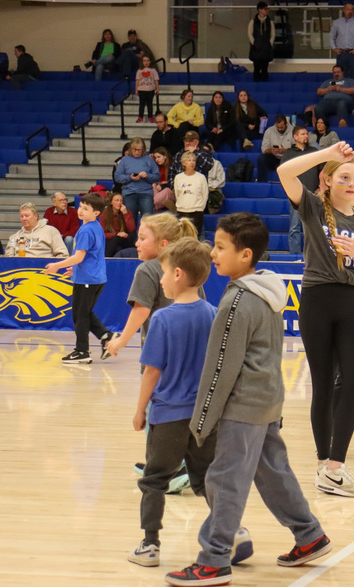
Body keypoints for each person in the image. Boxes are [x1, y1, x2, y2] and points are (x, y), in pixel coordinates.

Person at [165, 213, 331, 585]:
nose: (212, 253)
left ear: (246, 255)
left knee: (225, 480)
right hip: (268, 399)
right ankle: (310, 535)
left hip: (244, 405)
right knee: (273, 473)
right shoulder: (268, 290)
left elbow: (221, 367)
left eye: (221, 247)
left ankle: (213, 560)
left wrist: (202, 420)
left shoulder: (237, 301)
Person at [278, 142, 354, 497]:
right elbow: (284, 172)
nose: (352, 183)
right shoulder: (312, 207)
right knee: (322, 384)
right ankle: (326, 466)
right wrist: (327, 155)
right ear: (328, 180)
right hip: (317, 299)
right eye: (344, 177)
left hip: (350, 302)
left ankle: (336, 466)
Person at [128, 237, 218, 568]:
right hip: (205, 417)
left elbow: (152, 371)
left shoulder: (162, 319)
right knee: (205, 478)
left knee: (154, 479)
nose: (161, 279)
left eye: (163, 273)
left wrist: (140, 410)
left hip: (167, 416)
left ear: (178, 274)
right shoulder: (214, 314)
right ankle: (233, 531)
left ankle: (150, 545)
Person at [103, 213, 202, 362]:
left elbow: (141, 309)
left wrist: (122, 339)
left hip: (159, 352)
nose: (136, 243)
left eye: (142, 238)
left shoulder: (147, 269)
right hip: (189, 351)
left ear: (163, 244)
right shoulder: (188, 268)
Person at [44, 193, 113, 364]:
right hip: (95, 277)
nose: (80, 211)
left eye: (86, 209)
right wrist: (74, 271)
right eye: (80, 207)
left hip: (88, 280)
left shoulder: (86, 230)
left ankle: (82, 351)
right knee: (84, 313)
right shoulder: (96, 227)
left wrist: (56, 266)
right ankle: (106, 336)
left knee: (80, 316)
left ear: (96, 213)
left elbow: (79, 257)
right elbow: (90, 256)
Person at [280, 125, 320, 254]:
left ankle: (314, 255)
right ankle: (294, 256)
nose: (306, 136)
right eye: (302, 134)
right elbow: (283, 173)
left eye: (306, 134)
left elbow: (322, 171)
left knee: (314, 227)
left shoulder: (314, 151)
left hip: (313, 194)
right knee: (294, 227)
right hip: (295, 195)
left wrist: (320, 187)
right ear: (295, 137)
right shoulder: (288, 154)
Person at [114, 137, 160, 225]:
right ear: (131, 149)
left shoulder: (149, 160)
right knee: (130, 222)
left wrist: (147, 176)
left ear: (143, 149)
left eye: (139, 150)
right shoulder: (124, 160)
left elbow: (157, 176)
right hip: (129, 194)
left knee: (148, 222)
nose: (137, 152)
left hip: (146, 194)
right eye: (135, 150)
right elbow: (117, 177)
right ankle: (131, 239)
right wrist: (130, 178)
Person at [4, 203, 69, 258]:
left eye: (26, 216)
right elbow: (8, 259)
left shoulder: (51, 231)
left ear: (35, 216)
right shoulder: (14, 237)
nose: (24, 219)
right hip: (20, 270)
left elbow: (63, 255)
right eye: (22, 216)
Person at [329, 2, 354, 80]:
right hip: (341, 53)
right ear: (344, 10)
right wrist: (334, 48)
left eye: (351, 10)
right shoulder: (337, 23)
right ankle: (340, 92)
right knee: (340, 76)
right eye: (348, 9)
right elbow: (331, 37)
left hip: (353, 54)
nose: (350, 11)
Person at [174, 152, 209, 237]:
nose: (192, 162)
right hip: (182, 211)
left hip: (196, 211)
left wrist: (200, 207)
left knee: (195, 237)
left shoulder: (201, 177)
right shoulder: (178, 178)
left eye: (193, 160)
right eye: (189, 160)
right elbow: (177, 194)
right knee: (182, 237)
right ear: (183, 163)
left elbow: (205, 194)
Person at [258, 115, 294, 183]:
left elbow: (297, 149)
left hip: (287, 158)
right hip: (274, 158)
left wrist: (286, 150)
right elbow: (264, 149)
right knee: (261, 158)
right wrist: (271, 151)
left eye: (281, 127)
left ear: (286, 124)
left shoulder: (293, 131)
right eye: (278, 127)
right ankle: (261, 182)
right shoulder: (269, 131)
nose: (280, 129)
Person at [100, 193, 137, 257]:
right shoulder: (105, 214)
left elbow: (132, 229)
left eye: (121, 200)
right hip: (110, 240)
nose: (119, 202)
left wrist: (125, 214)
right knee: (117, 248)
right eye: (117, 200)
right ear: (111, 202)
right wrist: (116, 234)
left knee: (117, 239)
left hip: (125, 239)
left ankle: (105, 259)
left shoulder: (127, 212)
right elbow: (102, 234)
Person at [247, 1, 275, 82]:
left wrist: (270, 43)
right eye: (264, 9)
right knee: (256, 68)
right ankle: (256, 84)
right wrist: (254, 43)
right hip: (256, 49)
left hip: (266, 49)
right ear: (260, 10)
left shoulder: (270, 22)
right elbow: (249, 33)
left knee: (265, 69)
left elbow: (272, 34)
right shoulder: (253, 22)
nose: (266, 11)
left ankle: (264, 85)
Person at [135, 56, 159, 123]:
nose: (146, 62)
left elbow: (156, 80)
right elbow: (137, 80)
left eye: (147, 61)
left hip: (150, 89)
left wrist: (157, 89)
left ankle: (150, 117)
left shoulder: (153, 70)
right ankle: (140, 116)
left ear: (150, 62)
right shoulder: (139, 71)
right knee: (142, 104)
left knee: (149, 104)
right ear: (142, 62)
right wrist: (136, 89)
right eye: (144, 61)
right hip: (141, 89)